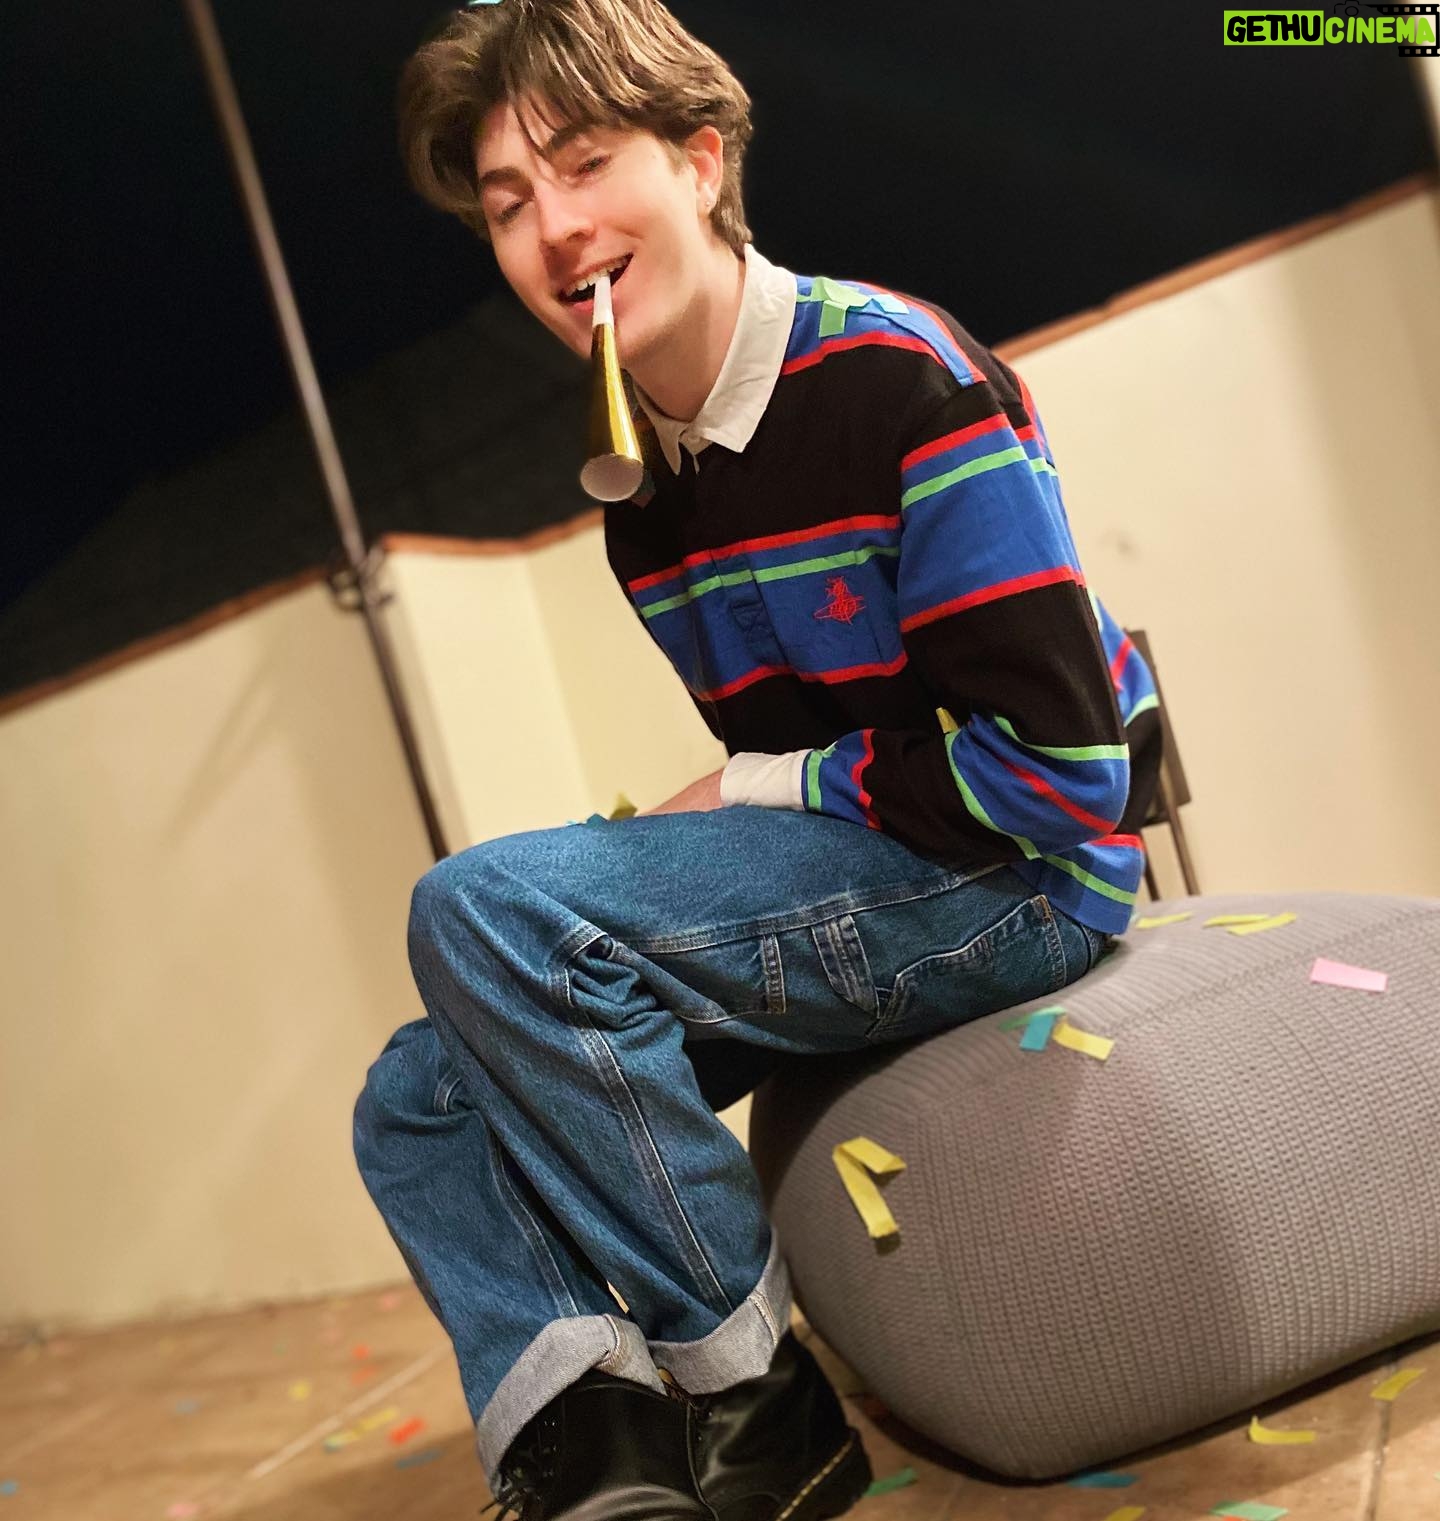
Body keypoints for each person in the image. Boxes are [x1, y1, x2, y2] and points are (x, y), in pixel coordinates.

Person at [354, 2, 1164, 1517]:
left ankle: (756, 1401)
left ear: (702, 160)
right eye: (510, 203)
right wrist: (756, 802)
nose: (552, 228)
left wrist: (748, 791)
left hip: (1026, 877)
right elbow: (806, 772)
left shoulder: (903, 381)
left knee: (481, 908)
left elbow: (1063, 777)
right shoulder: (644, 506)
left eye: (585, 164)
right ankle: (602, 1458)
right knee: (414, 1098)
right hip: (887, 870)